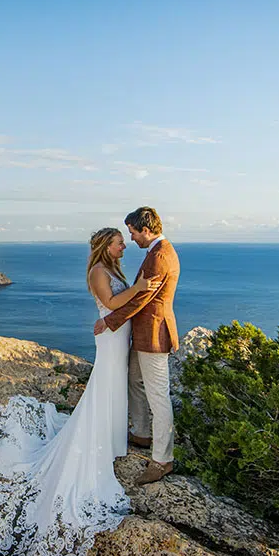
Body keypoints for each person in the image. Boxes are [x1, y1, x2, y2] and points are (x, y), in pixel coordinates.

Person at [0, 227, 154, 556]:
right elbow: (110, 305)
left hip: (118, 335)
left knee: (111, 390)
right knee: (104, 387)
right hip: (110, 338)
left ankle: (110, 439)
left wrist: (135, 288)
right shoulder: (98, 271)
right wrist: (140, 289)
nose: (124, 245)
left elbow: (119, 304)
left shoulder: (114, 269)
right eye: (118, 241)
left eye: (124, 241)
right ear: (105, 246)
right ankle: (100, 440)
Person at [93, 206, 180, 485]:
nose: (131, 239)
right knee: (135, 381)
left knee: (158, 396)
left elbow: (143, 298)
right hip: (143, 333)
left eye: (132, 232)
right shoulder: (156, 252)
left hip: (154, 334)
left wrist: (110, 321)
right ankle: (142, 432)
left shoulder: (160, 256)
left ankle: (162, 460)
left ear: (146, 229)